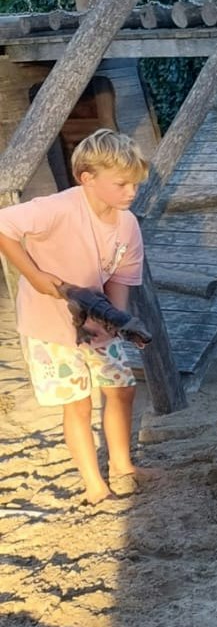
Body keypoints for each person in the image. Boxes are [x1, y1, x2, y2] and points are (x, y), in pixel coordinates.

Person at [0, 129, 152, 505]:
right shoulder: (57, 209)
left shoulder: (127, 224)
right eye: (121, 184)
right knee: (78, 402)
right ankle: (94, 484)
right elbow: (4, 225)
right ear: (87, 178)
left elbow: (121, 277)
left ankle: (122, 465)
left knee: (122, 388)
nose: (131, 193)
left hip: (96, 318)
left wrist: (112, 320)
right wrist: (34, 277)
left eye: (134, 184)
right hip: (49, 325)